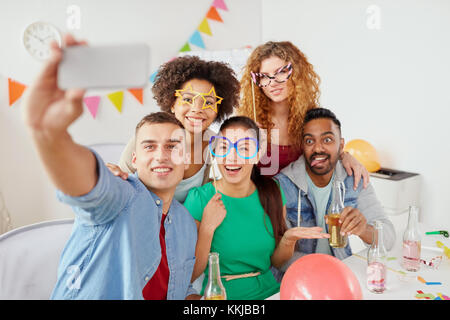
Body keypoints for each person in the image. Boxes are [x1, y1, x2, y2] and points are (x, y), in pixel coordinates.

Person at [21, 34, 198, 300]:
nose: (161, 155)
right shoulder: (123, 196)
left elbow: (180, 289)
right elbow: (89, 188)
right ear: (135, 159)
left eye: (173, 146)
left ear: (186, 159)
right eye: (149, 146)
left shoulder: (185, 223)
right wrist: (50, 135)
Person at [183, 116, 329, 300]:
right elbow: (188, 276)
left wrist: (288, 240)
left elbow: (275, 262)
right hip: (222, 296)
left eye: (244, 148)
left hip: (272, 292)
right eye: (224, 147)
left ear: (258, 154)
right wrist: (207, 228)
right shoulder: (199, 199)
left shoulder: (272, 192)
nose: (232, 156)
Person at [275, 108, 396, 274]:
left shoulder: (354, 179)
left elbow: (388, 239)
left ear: (341, 145)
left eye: (327, 140)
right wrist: (325, 272)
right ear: (302, 146)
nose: (318, 149)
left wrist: (363, 230)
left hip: (341, 271)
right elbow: (278, 259)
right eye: (310, 141)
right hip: (301, 277)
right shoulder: (283, 185)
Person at [108, 55, 240, 203]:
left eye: (209, 102)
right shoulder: (148, 137)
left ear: (218, 109)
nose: (197, 109)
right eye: (188, 99)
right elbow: (120, 184)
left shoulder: (217, 146)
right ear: (172, 103)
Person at [238, 41, 369, 189]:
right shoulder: (247, 122)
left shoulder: (313, 120)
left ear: (296, 74)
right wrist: (243, 148)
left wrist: (345, 156)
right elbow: (235, 174)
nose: (272, 82)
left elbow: (325, 153)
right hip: (261, 203)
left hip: (302, 207)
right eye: (264, 76)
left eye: (281, 72)